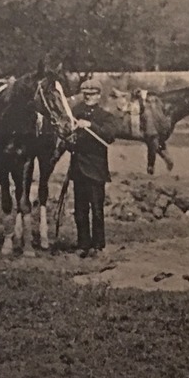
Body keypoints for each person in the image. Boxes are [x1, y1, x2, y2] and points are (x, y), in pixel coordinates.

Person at [69, 78, 123, 259]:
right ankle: (83, 244)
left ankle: (98, 245)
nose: (88, 97)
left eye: (92, 94)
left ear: (99, 96)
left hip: (96, 169)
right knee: (80, 210)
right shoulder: (75, 112)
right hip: (78, 168)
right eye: (85, 94)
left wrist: (90, 125)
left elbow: (109, 135)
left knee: (97, 210)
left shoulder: (105, 116)